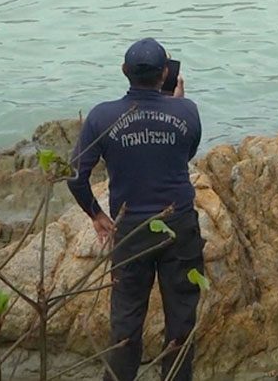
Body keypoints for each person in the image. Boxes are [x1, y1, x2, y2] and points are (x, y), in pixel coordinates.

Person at [68, 38, 204, 381]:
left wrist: (97, 214)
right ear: (165, 75)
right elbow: (184, 154)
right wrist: (174, 105)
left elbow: (75, 176)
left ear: (124, 72)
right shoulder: (186, 110)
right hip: (179, 226)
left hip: (130, 230)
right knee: (181, 320)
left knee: (126, 324)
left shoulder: (102, 116)